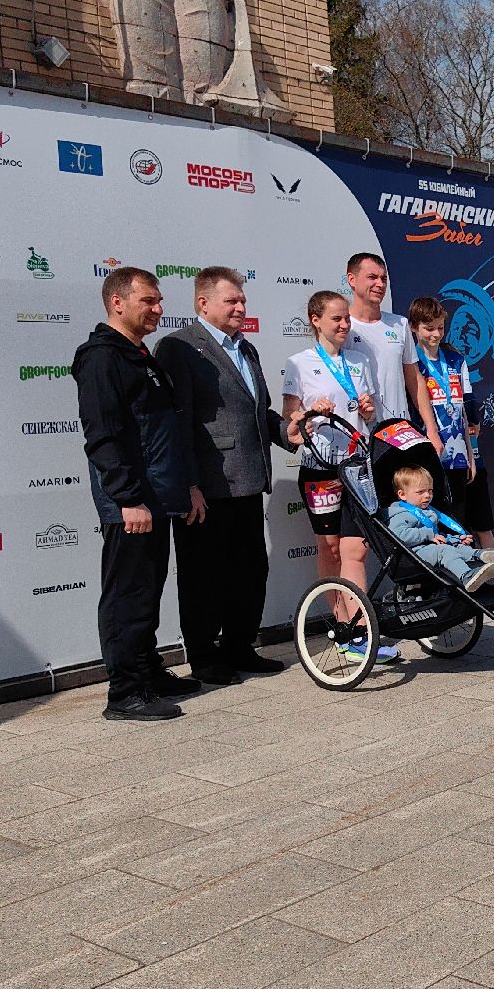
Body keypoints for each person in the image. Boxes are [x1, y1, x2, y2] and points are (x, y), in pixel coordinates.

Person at [74, 267, 204, 721]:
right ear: (118, 303)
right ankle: (124, 693)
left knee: (148, 590)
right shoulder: (100, 358)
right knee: (126, 594)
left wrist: (181, 486)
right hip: (131, 501)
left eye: (158, 300)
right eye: (148, 301)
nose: (158, 308)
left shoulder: (139, 356)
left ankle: (147, 672)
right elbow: (103, 436)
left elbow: (160, 429)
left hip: (157, 494)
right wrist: (128, 498)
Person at [155, 267, 293, 686]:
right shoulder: (178, 347)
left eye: (243, 300)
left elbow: (258, 412)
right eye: (231, 301)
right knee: (203, 576)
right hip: (207, 488)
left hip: (249, 480)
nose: (241, 307)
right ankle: (203, 656)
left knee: (249, 571)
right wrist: (190, 484)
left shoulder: (245, 349)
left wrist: (289, 431)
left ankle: (239, 646)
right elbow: (177, 422)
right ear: (203, 303)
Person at [282, 290, 392, 662]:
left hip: (357, 468)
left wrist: (369, 408)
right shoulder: (299, 363)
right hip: (321, 469)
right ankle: (342, 627)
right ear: (316, 320)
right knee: (329, 548)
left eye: (347, 318)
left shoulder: (359, 361)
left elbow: (371, 419)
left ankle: (362, 631)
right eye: (336, 319)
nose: (345, 325)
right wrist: (311, 411)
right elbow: (290, 427)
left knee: (356, 549)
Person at [409, 295, 494, 555]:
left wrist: (471, 452)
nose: (436, 334)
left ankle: (474, 574)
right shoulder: (410, 362)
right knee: (435, 521)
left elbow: (467, 406)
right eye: (429, 328)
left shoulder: (455, 359)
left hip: (460, 453)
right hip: (429, 454)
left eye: (440, 327)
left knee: (462, 519)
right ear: (414, 327)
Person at [344, 252, 443, 438]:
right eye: (372, 277)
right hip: (358, 435)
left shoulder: (400, 324)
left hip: (399, 433)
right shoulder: (342, 328)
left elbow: (414, 379)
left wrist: (431, 428)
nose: (380, 284)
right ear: (352, 279)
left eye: (383, 279)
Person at [384, 467, 494, 592]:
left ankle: (482, 555)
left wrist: (455, 538)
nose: (427, 495)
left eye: (430, 491)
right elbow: (399, 536)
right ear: (402, 494)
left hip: (431, 548)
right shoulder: (399, 514)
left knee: (458, 547)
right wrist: (428, 535)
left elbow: (437, 535)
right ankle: (466, 576)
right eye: (420, 492)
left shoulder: (428, 511)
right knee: (445, 551)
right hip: (414, 554)